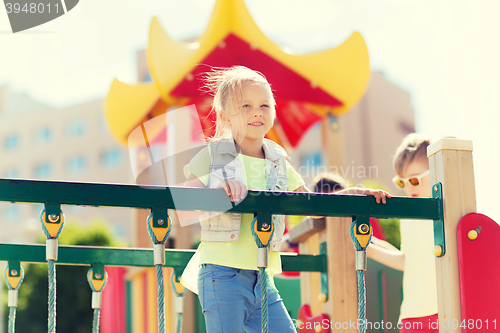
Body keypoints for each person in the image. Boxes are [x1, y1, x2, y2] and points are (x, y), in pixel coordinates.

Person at [178, 66, 391, 333]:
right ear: (225, 116)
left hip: (262, 277)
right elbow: (182, 208)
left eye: (265, 105)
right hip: (222, 275)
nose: (257, 112)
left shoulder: (278, 161)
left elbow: (312, 205)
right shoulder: (213, 156)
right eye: (245, 105)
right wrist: (217, 191)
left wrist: (354, 195)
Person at [367, 133, 438, 333]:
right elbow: (407, 260)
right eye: (402, 182)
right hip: (412, 313)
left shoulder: (446, 213)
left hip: (442, 309)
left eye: (414, 180)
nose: (408, 187)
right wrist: (370, 247)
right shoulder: (408, 217)